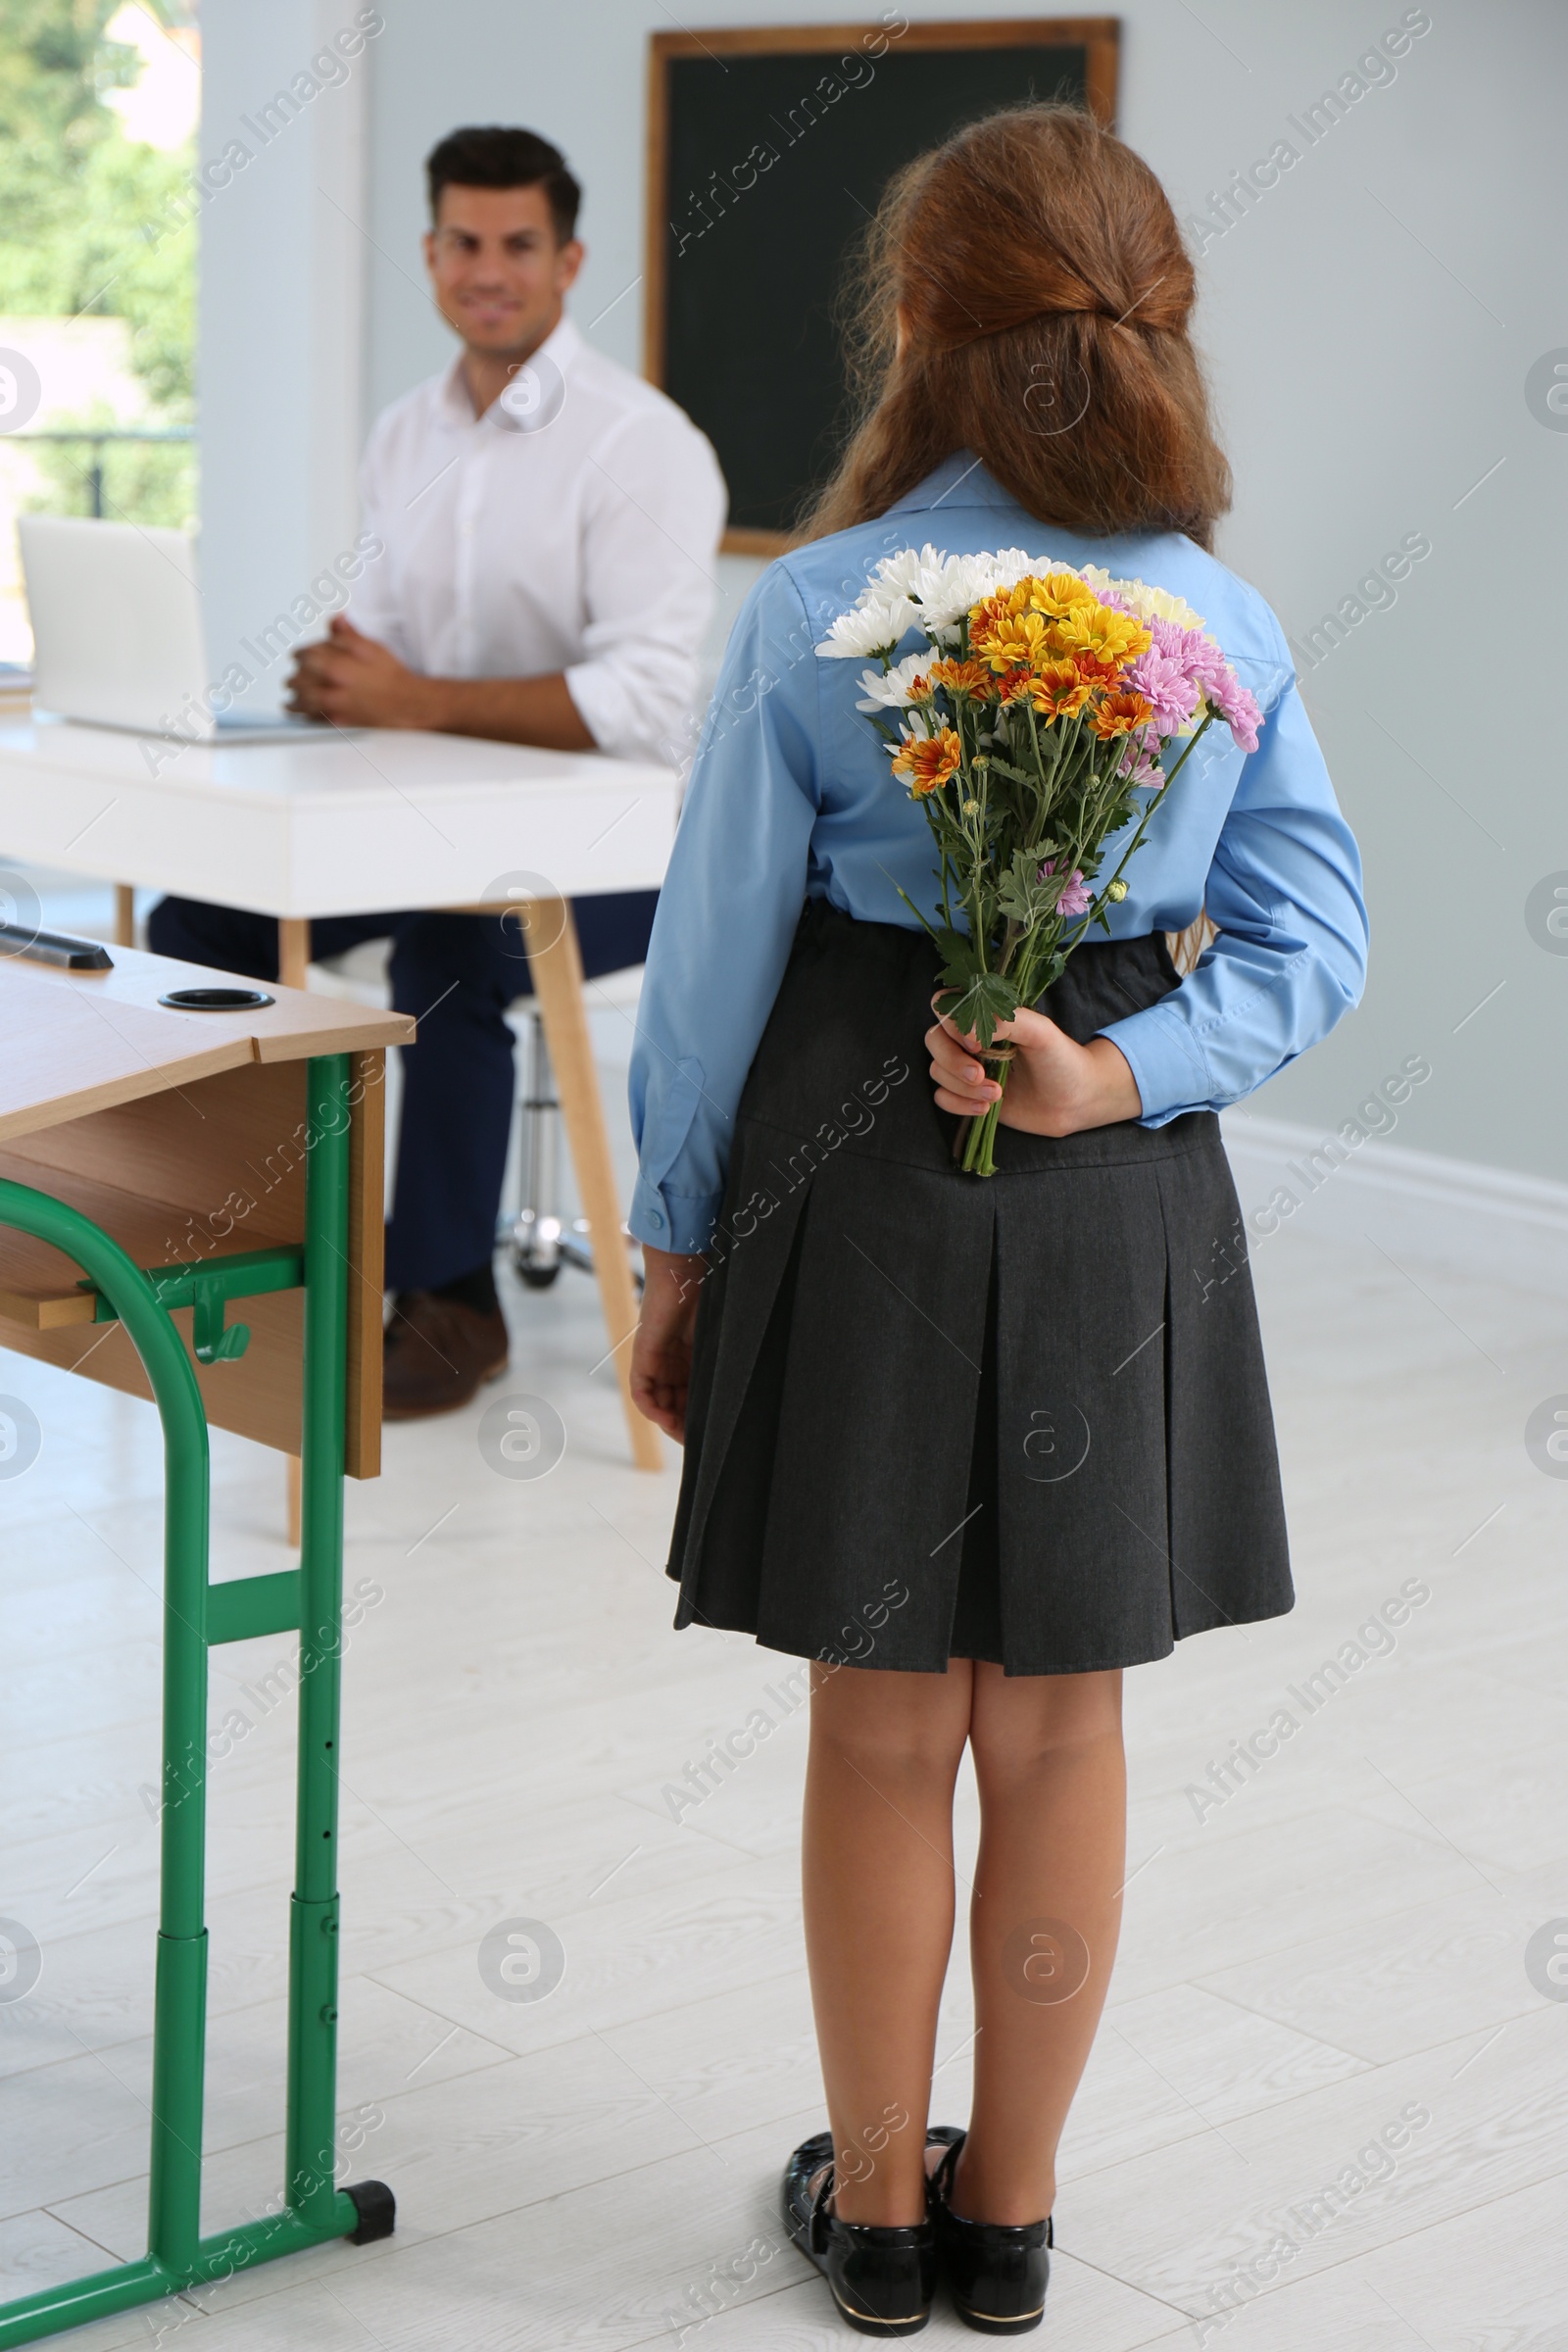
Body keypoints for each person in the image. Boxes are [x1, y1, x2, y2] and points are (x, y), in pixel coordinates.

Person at [626, 104, 1367, 2338]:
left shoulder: (820, 609)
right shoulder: (1211, 611)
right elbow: (1310, 935)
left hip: (855, 1167)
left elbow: (717, 955)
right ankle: (1008, 2219)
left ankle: (869, 2216)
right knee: (1054, 1731)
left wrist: (675, 1246)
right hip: (1109, 1193)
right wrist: (1109, 1070)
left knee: (877, 1725)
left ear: (917, 326)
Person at [149, 124, 726, 1417]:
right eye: (463, 242)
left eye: (518, 244)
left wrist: (412, 694)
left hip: (626, 857)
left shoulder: (643, 446)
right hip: (429, 833)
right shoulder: (407, 434)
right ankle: (254, 1249)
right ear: (428, 254)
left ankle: (451, 1300)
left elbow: (641, 705)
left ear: (569, 261)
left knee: (452, 958)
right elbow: (397, 655)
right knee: (201, 920)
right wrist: (352, 679)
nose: (488, 269)